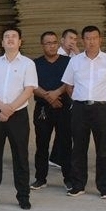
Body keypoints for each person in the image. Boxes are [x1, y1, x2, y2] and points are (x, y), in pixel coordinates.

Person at [0, 28, 37, 210]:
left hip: (18, 116)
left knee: (20, 157)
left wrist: (9, 109)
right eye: (6, 37)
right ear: (2, 42)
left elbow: (29, 90)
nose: (10, 39)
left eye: (14, 37)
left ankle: (23, 196)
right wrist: (2, 107)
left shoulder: (28, 64)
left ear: (20, 42)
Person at [62, 25, 106, 199]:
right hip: (80, 109)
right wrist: (80, 99)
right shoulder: (75, 61)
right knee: (79, 148)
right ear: (83, 40)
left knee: (104, 149)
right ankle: (78, 185)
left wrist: (102, 100)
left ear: (100, 39)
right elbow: (68, 86)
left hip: (102, 109)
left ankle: (104, 187)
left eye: (94, 38)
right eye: (88, 38)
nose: (91, 42)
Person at [31, 31, 71, 190]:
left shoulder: (68, 62)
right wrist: (49, 98)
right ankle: (40, 178)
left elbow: (70, 81)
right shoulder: (35, 64)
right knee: (41, 144)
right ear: (42, 45)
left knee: (66, 144)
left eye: (54, 42)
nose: (52, 46)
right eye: (48, 43)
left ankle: (69, 179)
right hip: (43, 108)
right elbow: (32, 85)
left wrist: (57, 93)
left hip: (64, 107)